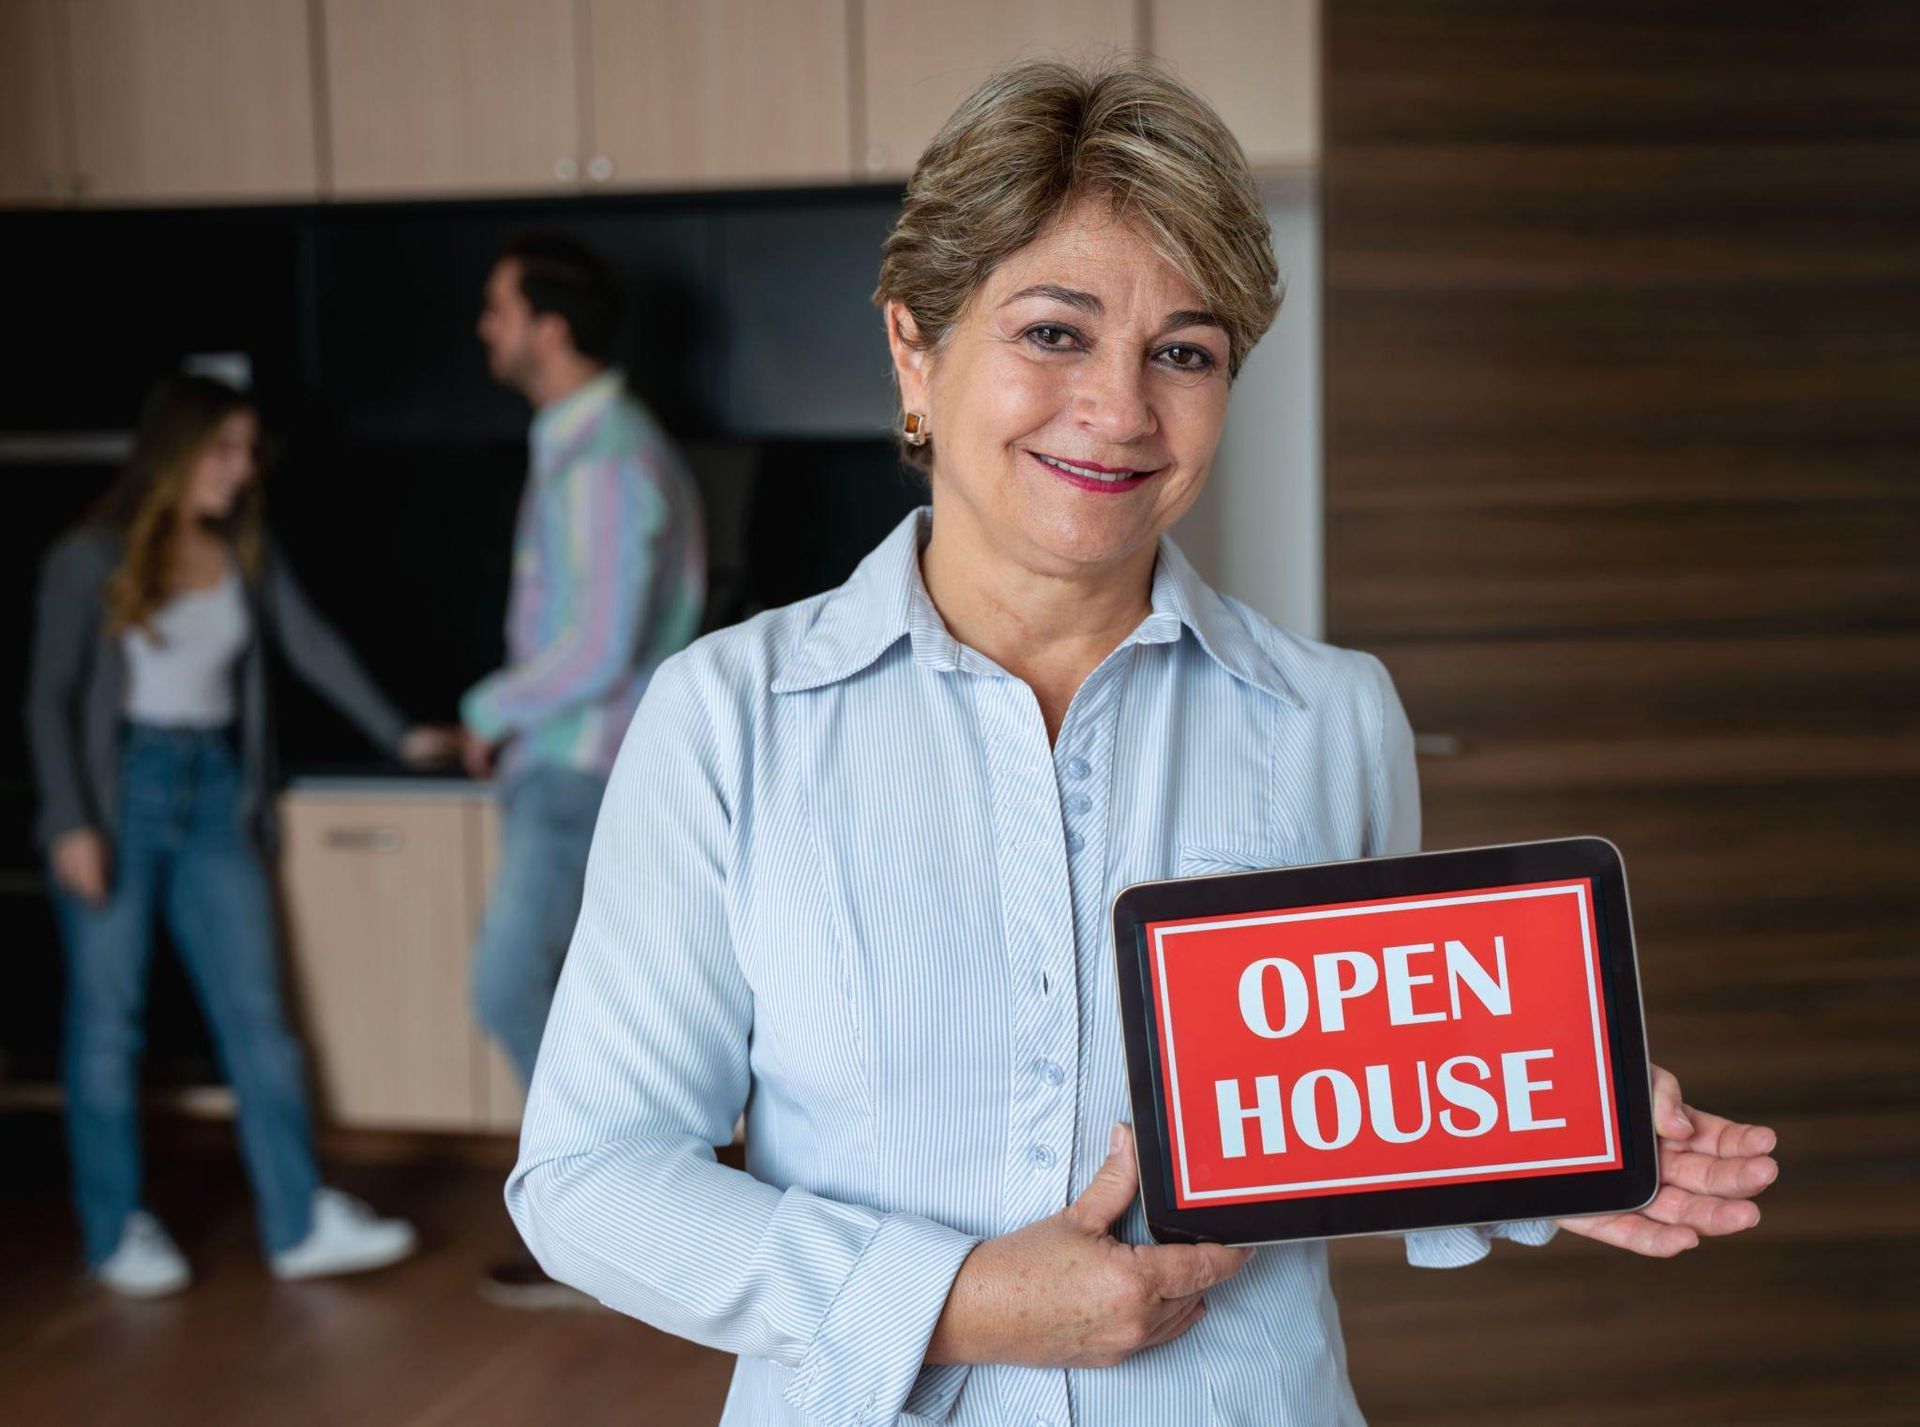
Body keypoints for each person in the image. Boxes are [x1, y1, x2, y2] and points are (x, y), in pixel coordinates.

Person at [504, 61, 1780, 1424]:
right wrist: (964, 1295)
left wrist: (1565, 1124)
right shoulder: (728, 719)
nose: (1120, 409)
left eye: (1184, 349)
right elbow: (590, 1174)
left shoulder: (1328, 716)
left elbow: (1366, 1101)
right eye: (1054, 332)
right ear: (914, 350)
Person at [26, 375, 453, 1298]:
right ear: (175, 452)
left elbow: (315, 648)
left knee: (258, 1019)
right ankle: (113, 1230)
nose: (240, 468)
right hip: (117, 797)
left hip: (217, 792)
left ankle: (296, 1223)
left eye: (247, 449)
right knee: (107, 1025)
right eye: (223, 449)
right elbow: (48, 701)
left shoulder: (242, 551)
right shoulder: (86, 557)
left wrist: (403, 733)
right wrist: (68, 822)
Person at [463, 232, 705, 1304]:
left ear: (548, 329)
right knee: (569, 1000)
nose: (486, 328)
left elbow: (601, 646)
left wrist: (488, 705)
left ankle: (601, 1229)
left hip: (582, 768)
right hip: (563, 764)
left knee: (514, 984)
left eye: (499, 308)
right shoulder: (580, 442)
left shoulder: (608, 456)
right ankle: (610, 1229)